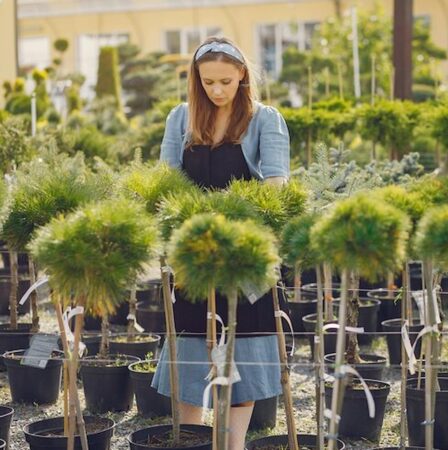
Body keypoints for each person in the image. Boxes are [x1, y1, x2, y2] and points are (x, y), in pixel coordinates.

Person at [153, 36, 290, 450]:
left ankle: (231, 445)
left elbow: (277, 184)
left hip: (245, 251)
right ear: (196, 79)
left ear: (242, 75)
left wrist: (237, 221)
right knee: (191, 352)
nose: (216, 90)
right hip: (192, 251)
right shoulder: (181, 118)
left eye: (225, 82)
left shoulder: (265, 119)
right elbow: (166, 182)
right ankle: (191, 440)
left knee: (243, 355)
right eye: (208, 82)